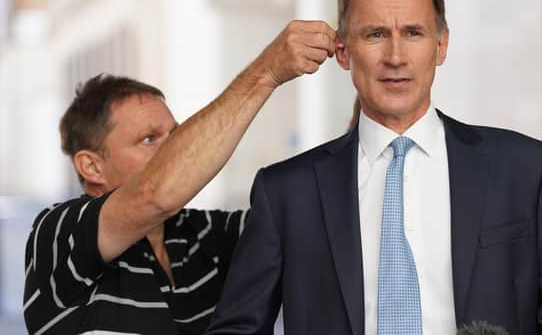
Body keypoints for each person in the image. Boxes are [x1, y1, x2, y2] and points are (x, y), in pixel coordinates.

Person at [205, 0, 542, 335]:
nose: (395, 56)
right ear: (344, 51)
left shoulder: (526, 168)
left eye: (413, 33)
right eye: (375, 34)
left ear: (441, 46)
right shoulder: (286, 193)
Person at [22, 20, 337, 335]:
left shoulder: (203, 234)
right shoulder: (57, 234)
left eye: (176, 135)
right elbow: (155, 194)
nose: (173, 150)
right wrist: (266, 72)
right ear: (91, 167)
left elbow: (321, 213)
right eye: (149, 139)